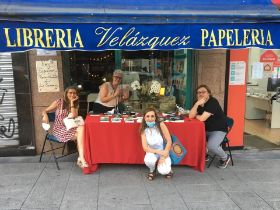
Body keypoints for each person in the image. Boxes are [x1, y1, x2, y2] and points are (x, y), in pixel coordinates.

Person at [42, 86, 88, 168]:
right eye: (70, 93)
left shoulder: (75, 104)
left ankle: (81, 158)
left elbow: (74, 116)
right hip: (59, 129)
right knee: (82, 135)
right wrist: (45, 115)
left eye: (74, 93)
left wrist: (71, 102)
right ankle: (81, 159)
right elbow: (44, 110)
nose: (72, 94)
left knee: (81, 129)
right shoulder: (59, 102)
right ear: (66, 93)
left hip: (70, 128)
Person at [189, 84, 230, 169]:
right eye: (198, 92)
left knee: (212, 146)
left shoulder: (212, 102)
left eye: (203, 92)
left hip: (218, 129)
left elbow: (202, 118)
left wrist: (197, 116)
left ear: (209, 93)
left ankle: (225, 157)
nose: (201, 94)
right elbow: (190, 116)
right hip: (205, 129)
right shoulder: (198, 102)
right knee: (191, 137)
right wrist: (196, 104)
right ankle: (204, 154)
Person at [140, 107, 173, 180]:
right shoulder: (143, 130)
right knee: (149, 160)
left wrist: (163, 156)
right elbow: (145, 148)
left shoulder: (161, 125)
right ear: (144, 118)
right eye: (147, 116)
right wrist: (159, 152)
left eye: (152, 116)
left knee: (164, 171)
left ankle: (169, 170)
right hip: (152, 151)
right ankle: (152, 170)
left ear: (155, 117)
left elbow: (169, 141)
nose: (150, 118)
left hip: (164, 150)